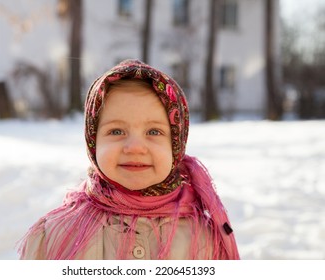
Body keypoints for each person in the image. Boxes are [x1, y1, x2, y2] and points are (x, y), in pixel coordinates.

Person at [18, 59, 239, 260]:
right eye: (116, 131)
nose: (134, 147)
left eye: (153, 132)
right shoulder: (54, 236)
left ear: (176, 144)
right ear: (93, 141)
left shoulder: (206, 239)